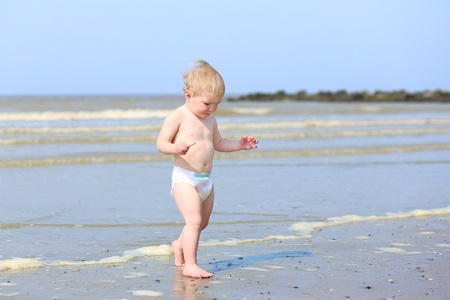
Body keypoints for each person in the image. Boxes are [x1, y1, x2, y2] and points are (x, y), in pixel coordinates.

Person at [156, 60, 258, 278]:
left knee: (202, 223)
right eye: (207, 103)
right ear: (188, 95)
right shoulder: (178, 116)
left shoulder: (210, 120)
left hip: (206, 181)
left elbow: (219, 144)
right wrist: (175, 147)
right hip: (185, 179)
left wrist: (240, 145)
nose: (211, 109)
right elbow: (161, 143)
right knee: (193, 221)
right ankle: (190, 265)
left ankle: (179, 245)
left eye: (216, 104)